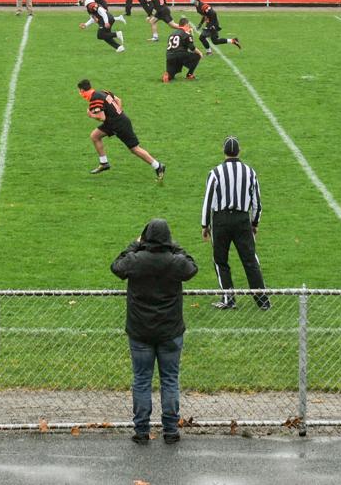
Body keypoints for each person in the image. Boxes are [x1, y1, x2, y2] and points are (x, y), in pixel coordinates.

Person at [110, 218, 198, 445]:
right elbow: (191, 265)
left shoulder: (136, 260)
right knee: (170, 380)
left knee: (141, 380)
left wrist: (135, 244)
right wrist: (174, 246)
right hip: (170, 331)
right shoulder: (175, 261)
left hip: (140, 331)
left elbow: (116, 265)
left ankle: (141, 430)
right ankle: (170, 430)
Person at [201, 136, 269, 310]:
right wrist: (255, 223)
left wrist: (205, 225)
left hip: (221, 220)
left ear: (224, 152)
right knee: (250, 260)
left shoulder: (215, 172)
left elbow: (208, 201)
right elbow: (257, 203)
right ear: (239, 151)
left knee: (220, 260)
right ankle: (262, 301)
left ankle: (228, 299)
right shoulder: (250, 172)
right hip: (241, 220)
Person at [78, 79, 165, 181]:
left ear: (82, 90)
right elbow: (118, 100)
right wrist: (118, 113)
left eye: (79, 91)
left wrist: (91, 115)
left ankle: (158, 166)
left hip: (119, 125)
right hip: (113, 122)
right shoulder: (102, 92)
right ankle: (104, 163)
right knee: (95, 136)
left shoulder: (95, 99)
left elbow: (101, 117)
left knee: (134, 149)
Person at [162, 18, 201, 82]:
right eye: (188, 25)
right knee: (197, 56)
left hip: (169, 56)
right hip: (179, 55)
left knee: (171, 76)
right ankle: (189, 75)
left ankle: (167, 75)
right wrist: (200, 53)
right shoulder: (186, 33)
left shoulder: (172, 33)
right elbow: (192, 48)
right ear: (186, 25)